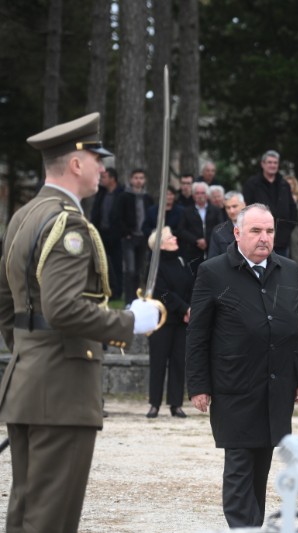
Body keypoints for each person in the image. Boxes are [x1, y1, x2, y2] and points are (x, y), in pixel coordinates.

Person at [0, 113, 161, 533]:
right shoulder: (67, 223)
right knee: (51, 520)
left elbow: (6, 303)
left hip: (29, 383)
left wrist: (29, 353)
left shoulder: (24, 216)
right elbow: (63, 308)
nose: (102, 169)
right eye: (96, 159)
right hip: (62, 391)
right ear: (75, 164)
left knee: (25, 514)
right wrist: (129, 321)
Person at [186, 203, 298, 528]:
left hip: (277, 385)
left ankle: (252, 525)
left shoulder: (289, 269)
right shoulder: (213, 272)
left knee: (262, 464)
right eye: (256, 231)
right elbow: (198, 333)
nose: (264, 238)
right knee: (240, 464)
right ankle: (246, 527)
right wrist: (198, 385)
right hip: (234, 386)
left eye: (269, 231)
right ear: (237, 233)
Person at [145, 226, 193, 419]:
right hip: (162, 321)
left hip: (182, 320)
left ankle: (176, 404)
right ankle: (154, 404)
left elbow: (191, 285)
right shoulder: (155, 266)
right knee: (158, 362)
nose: (175, 238)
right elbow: (162, 292)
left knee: (178, 362)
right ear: (161, 244)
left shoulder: (181, 261)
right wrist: (184, 308)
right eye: (170, 237)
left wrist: (190, 309)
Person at [241, 150, 297, 258]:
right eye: (270, 162)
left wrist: (287, 230)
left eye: (275, 163)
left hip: (282, 241)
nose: (273, 165)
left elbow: (292, 209)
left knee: (280, 272)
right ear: (263, 164)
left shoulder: (284, 184)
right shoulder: (252, 184)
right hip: (258, 241)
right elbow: (246, 210)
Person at [120, 168, 154, 304]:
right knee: (130, 270)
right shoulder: (124, 197)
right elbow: (118, 216)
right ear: (131, 180)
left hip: (143, 238)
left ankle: (138, 298)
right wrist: (126, 233)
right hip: (130, 237)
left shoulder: (148, 198)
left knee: (141, 269)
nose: (138, 180)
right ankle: (129, 299)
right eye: (136, 178)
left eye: (141, 178)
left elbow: (151, 216)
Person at [90, 167, 125, 300]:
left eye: (104, 177)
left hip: (116, 237)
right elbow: (96, 212)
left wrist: (123, 232)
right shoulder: (101, 193)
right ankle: (105, 290)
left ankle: (117, 292)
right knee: (103, 264)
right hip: (101, 234)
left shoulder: (121, 194)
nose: (101, 180)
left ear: (112, 179)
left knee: (116, 264)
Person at [176, 181, 225, 275]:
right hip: (192, 251)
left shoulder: (216, 210)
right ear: (193, 195)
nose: (200, 195)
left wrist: (207, 240)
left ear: (207, 195)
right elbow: (181, 230)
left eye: (202, 193)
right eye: (197, 193)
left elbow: (221, 227)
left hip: (212, 249)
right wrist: (196, 240)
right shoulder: (186, 211)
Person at [208, 191, 245, 259]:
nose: (231, 211)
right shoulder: (218, 231)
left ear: (244, 205)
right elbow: (212, 259)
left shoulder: (256, 227)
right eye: (228, 207)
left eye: (234, 206)